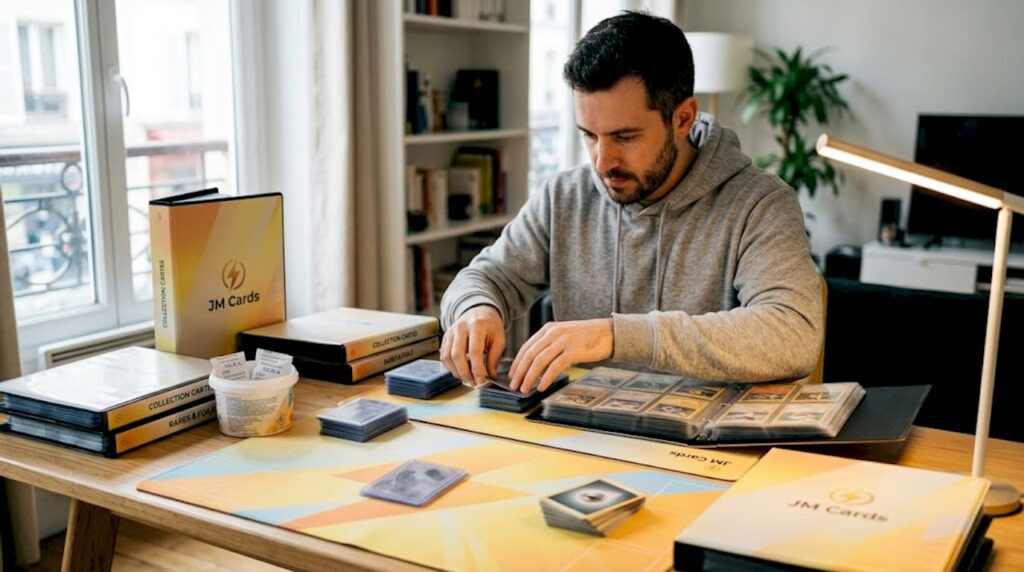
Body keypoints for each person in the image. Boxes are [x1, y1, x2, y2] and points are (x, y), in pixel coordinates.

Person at [439, 11, 823, 394]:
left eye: (625, 137)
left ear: (683, 117)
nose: (602, 162)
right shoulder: (563, 198)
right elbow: (484, 278)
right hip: (583, 435)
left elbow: (793, 334)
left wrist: (614, 335)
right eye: (590, 135)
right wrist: (476, 309)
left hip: (703, 445)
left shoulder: (760, 204)